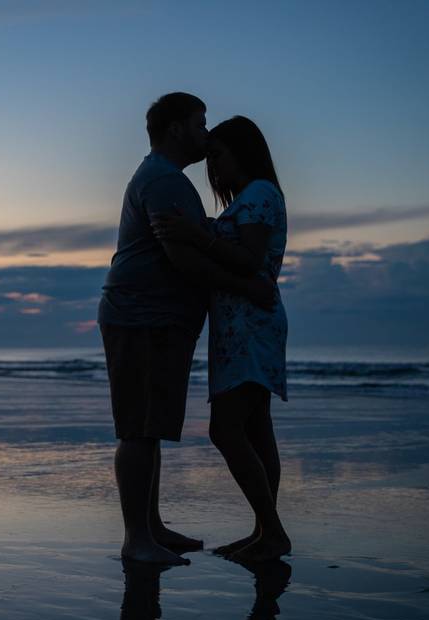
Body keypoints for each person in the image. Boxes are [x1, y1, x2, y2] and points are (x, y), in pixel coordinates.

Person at [98, 95, 275, 566]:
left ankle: (150, 527)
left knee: (150, 425)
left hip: (156, 318)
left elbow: (196, 247)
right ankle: (137, 538)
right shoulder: (164, 180)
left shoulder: (165, 179)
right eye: (200, 123)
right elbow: (185, 259)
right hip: (141, 316)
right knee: (138, 428)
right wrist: (248, 286)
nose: (206, 132)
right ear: (176, 128)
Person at [151, 115, 291, 563]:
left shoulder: (260, 195)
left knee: (226, 429)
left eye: (218, 155)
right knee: (255, 427)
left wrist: (197, 234)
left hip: (251, 323)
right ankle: (264, 532)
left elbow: (249, 260)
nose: (212, 166)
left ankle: (273, 532)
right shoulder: (250, 199)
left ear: (243, 153)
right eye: (208, 156)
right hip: (242, 323)